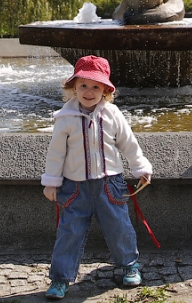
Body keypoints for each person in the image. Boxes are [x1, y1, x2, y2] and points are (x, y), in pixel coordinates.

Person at [41, 55, 152, 299]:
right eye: (83, 85)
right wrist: (51, 181)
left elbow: (128, 143)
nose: (89, 92)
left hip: (110, 184)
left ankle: (129, 265)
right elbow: (56, 152)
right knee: (69, 232)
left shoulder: (112, 114)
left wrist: (140, 167)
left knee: (119, 227)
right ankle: (60, 278)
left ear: (105, 90)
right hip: (75, 187)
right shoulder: (65, 117)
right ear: (73, 88)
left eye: (95, 86)